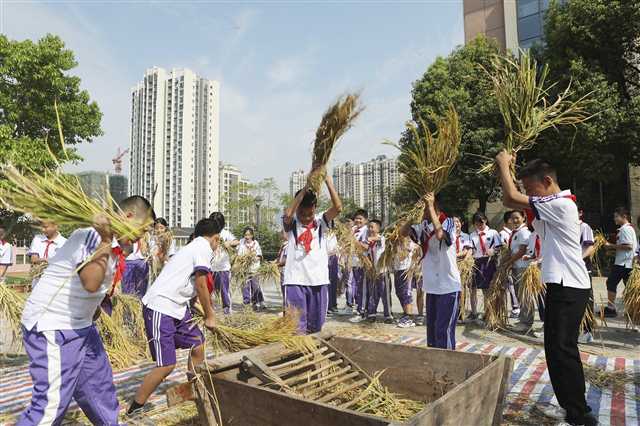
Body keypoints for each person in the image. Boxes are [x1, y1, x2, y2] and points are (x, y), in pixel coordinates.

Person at [18, 196, 154, 425]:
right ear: (129, 217)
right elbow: (90, 281)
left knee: (99, 389)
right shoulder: (93, 235)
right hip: (54, 326)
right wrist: (104, 238)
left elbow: (93, 290)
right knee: (51, 407)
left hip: (81, 326)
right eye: (142, 229)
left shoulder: (115, 245)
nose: (142, 236)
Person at [496, 153, 596, 426]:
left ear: (548, 181)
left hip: (570, 285)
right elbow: (515, 196)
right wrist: (510, 169)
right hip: (558, 284)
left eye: (531, 188)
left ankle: (581, 414)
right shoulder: (550, 206)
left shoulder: (562, 204)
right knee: (554, 348)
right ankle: (568, 406)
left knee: (563, 348)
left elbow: (510, 199)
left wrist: (503, 165)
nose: (528, 194)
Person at [127, 217, 220, 416]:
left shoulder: (193, 248)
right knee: (166, 365)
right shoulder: (203, 247)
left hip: (177, 308)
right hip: (161, 307)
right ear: (216, 239)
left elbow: (194, 296)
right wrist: (210, 315)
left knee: (198, 345)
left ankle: (193, 389)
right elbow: (202, 284)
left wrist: (207, 315)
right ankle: (135, 407)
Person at [282, 171, 342, 334]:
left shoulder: (321, 221)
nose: (306, 217)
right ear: (297, 210)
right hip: (295, 281)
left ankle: (314, 356)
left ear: (315, 208)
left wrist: (329, 182)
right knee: (296, 327)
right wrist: (306, 187)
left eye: (310, 214)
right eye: (302, 213)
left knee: (316, 327)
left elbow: (338, 208)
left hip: (319, 281)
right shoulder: (292, 224)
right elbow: (288, 214)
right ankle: (297, 355)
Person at [408, 193, 461, 350]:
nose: (423, 210)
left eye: (425, 206)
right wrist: (412, 215)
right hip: (432, 287)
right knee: (432, 332)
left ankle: (447, 367)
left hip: (449, 287)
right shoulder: (423, 226)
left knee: (443, 331)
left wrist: (430, 206)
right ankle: (434, 366)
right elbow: (404, 232)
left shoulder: (449, 222)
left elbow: (440, 235)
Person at [469, 212, 503, 321]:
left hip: (488, 262)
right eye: (477, 223)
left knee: (487, 289)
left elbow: (499, 247)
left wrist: (493, 250)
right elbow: (471, 249)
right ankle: (474, 312)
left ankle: (487, 312)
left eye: (481, 222)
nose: (480, 225)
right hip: (476, 262)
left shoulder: (493, 233)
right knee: (472, 288)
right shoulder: (472, 235)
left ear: (486, 221)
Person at [603, 207, 637, 318]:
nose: (614, 219)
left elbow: (628, 246)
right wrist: (613, 251)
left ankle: (611, 308)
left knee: (611, 283)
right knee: (629, 287)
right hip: (626, 263)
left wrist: (610, 246)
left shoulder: (625, 229)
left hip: (623, 264)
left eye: (616, 216)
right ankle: (633, 310)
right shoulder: (627, 229)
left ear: (624, 217)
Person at [507, 210, 536, 335]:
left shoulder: (524, 232)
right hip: (516, 266)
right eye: (512, 218)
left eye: (517, 218)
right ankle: (523, 320)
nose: (514, 220)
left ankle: (527, 323)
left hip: (522, 267)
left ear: (524, 218)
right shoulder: (516, 232)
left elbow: (521, 251)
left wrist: (508, 262)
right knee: (520, 294)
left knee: (525, 295)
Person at [209, 212, 239, 315]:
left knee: (224, 291)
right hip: (210, 268)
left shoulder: (225, 233)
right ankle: (210, 310)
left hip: (223, 268)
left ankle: (227, 310)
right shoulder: (209, 234)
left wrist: (229, 243)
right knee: (209, 291)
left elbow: (236, 241)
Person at [364, 220, 393, 323]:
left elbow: (379, 239)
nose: (370, 229)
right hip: (373, 272)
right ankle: (372, 313)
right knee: (373, 293)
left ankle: (388, 315)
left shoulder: (382, 239)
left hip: (383, 271)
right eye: (369, 227)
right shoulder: (369, 243)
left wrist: (370, 238)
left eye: (372, 227)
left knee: (385, 294)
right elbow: (366, 254)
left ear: (378, 228)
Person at [27, 220, 67, 286]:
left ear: (55, 226)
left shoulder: (64, 242)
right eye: (42, 227)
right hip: (38, 282)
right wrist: (47, 260)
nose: (43, 230)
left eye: (46, 227)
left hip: (56, 282)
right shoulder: (37, 239)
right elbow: (33, 259)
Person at [578, 207, 596, 343]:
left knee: (586, 299)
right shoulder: (565, 227)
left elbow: (590, 247)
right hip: (568, 269)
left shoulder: (584, 227)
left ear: (580, 212)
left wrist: (580, 258)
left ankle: (588, 331)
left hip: (583, 268)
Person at [393, 230, 418, 328]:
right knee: (399, 293)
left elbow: (403, 257)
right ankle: (405, 314)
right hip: (397, 269)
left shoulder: (409, 242)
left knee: (406, 293)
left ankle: (409, 318)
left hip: (406, 270)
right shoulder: (396, 241)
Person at [238, 227, 265, 311]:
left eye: (249, 235)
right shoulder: (242, 243)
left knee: (255, 286)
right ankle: (246, 303)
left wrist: (253, 258)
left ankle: (255, 303)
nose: (247, 236)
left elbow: (259, 256)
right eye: (245, 235)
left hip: (254, 269)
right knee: (245, 286)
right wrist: (244, 259)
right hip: (244, 269)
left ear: (252, 235)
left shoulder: (256, 244)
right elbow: (239, 255)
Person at [350, 209, 369, 320]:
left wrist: (353, 238)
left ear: (365, 220)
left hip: (363, 263)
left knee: (362, 288)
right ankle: (359, 309)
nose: (357, 220)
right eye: (356, 218)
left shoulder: (366, 230)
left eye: (360, 218)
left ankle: (362, 311)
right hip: (354, 263)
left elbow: (365, 246)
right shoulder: (354, 230)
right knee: (357, 287)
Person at [326, 230, 340, 315]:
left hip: (333, 257)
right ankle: (328, 305)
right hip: (325, 257)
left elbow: (335, 247)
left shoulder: (333, 233)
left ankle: (333, 305)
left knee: (333, 282)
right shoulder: (321, 231)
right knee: (327, 283)